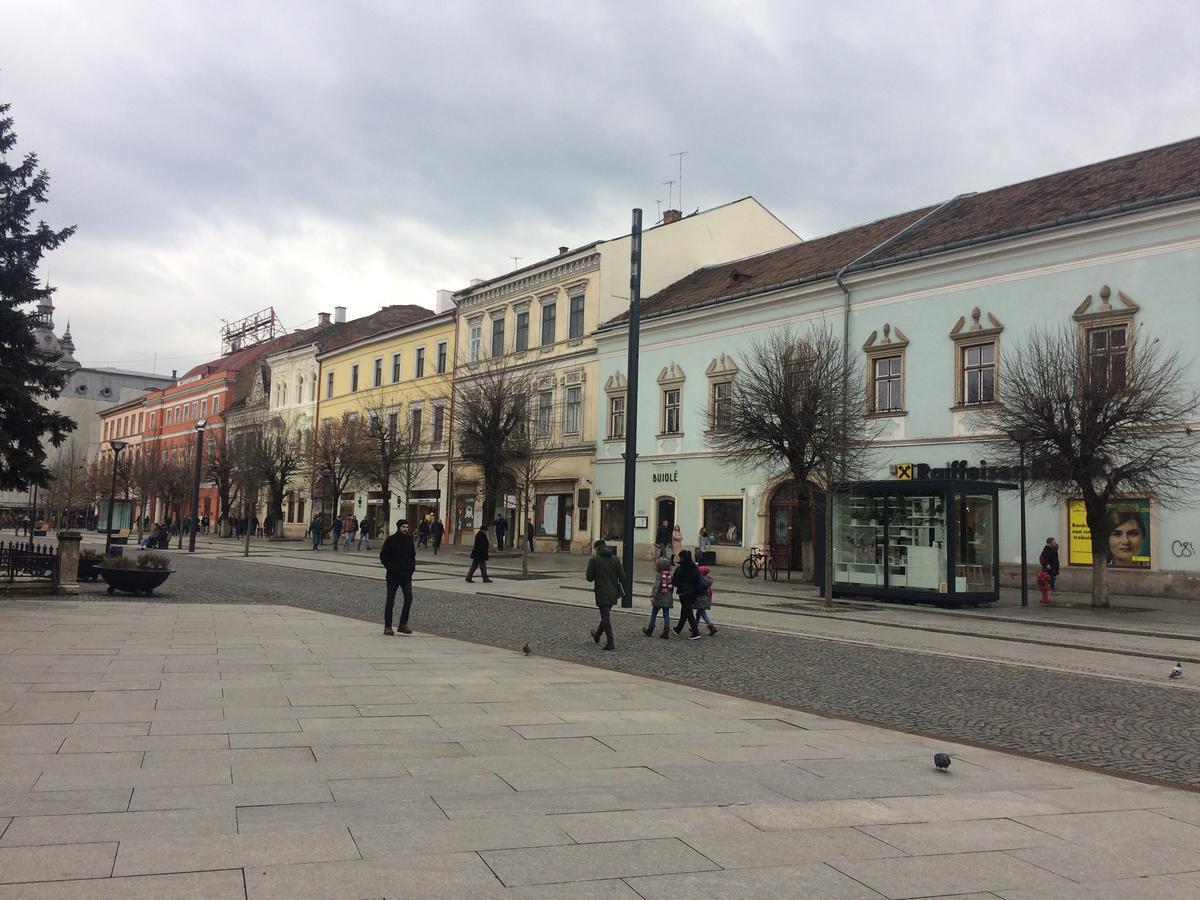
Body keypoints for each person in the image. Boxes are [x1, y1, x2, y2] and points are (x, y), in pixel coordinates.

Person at [380, 519, 417, 635]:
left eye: (407, 527)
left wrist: (412, 568)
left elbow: (412, 556)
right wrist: (390, 568)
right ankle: (388, 626)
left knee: (409, 598)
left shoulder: (409, 540)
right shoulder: (391, 540)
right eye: (403, 527)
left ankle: (403, 624)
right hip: (393, 576)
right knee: (390, 600)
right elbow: (383, 556)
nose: (405, 529)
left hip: (406, 576)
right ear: (398, 528)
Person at [586, 539, 622, 651]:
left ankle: (610, 642)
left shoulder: (594, 559)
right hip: (613, 592)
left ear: (596, 548)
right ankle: (597, 635)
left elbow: (589, 577)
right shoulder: (615, 559)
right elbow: (622, 574)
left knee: (605, 617)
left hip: (602, 592)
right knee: (605, 615)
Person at [671, 550, 702, 640]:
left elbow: (675, 582)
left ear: (682, 558)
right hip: (694, 593)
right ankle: (678, 629)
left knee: (688, 612)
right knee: (685, 610)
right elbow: (697, 579)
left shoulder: (680, 569)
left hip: (684, 593)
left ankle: (695, 631)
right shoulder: (695, 568)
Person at [643, 557, 673, 639]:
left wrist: (653, 596)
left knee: (654, 614)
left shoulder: (659, 576)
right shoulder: (670, 576)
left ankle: (650, 630)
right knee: (666, 614)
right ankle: (666, 632)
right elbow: (671, 588)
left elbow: (656, 586)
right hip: (667, 599)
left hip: (659, 598)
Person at [695, 564, 718, 636]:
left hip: (700, 599)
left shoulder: (701, 581)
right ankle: (695, 626)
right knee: (698, 613)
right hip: (705, 600)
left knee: (703, 613)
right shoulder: (707, 580)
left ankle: (711, 626)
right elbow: (710, 593)